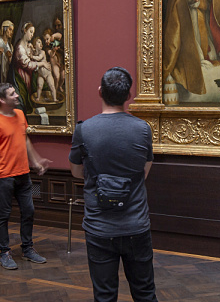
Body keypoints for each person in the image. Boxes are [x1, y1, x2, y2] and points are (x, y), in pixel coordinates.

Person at [69, 67, 157, 302]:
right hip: (136, 224)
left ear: (100, 92)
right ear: (128, 96)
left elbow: (76, 171)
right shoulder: (143, 129)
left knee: (105, 296)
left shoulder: (83, 130)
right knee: (145, 293)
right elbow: (144, 172)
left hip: (99, 226)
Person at [0, 81, 51, 270]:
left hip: (23, 174)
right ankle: (4, 252)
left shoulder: (20, 114)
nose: (17, 96)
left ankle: (27, 249)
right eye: (13, 94)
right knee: (3, 215)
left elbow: (24, 139)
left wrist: (35, 162)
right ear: (2, 99)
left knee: (29, 211)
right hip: (4, 176)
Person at [0, 20, 15, 90]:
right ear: (4, 29)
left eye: (12, 30)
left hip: (6, 74)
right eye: (10, 29)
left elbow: (11, 63)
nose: (11, 32)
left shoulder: (10, 46)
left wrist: (10, 57)